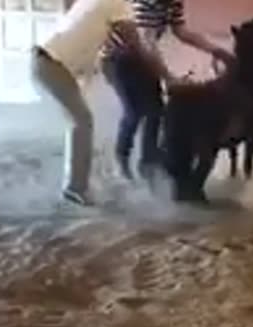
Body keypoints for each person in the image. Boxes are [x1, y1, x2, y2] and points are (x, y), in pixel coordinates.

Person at [30, 0, 178, 206]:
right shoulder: (119, 4)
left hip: (45, 61)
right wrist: (169, 77)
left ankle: (78, 182)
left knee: (80, 120)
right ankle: (75, 188)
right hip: (51, 64)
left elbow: (83, 33)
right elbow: (137, 46)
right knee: (82, 121)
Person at [101, 0, 235, 180]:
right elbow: (146, 43)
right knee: (134, 111)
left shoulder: (173, 2)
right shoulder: (143, 3)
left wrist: (216, 50)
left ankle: (148, 162)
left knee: (156, 110)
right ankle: (121, 160)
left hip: (142, 56)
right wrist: (169, 78)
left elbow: (181, 31)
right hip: (118, 59)